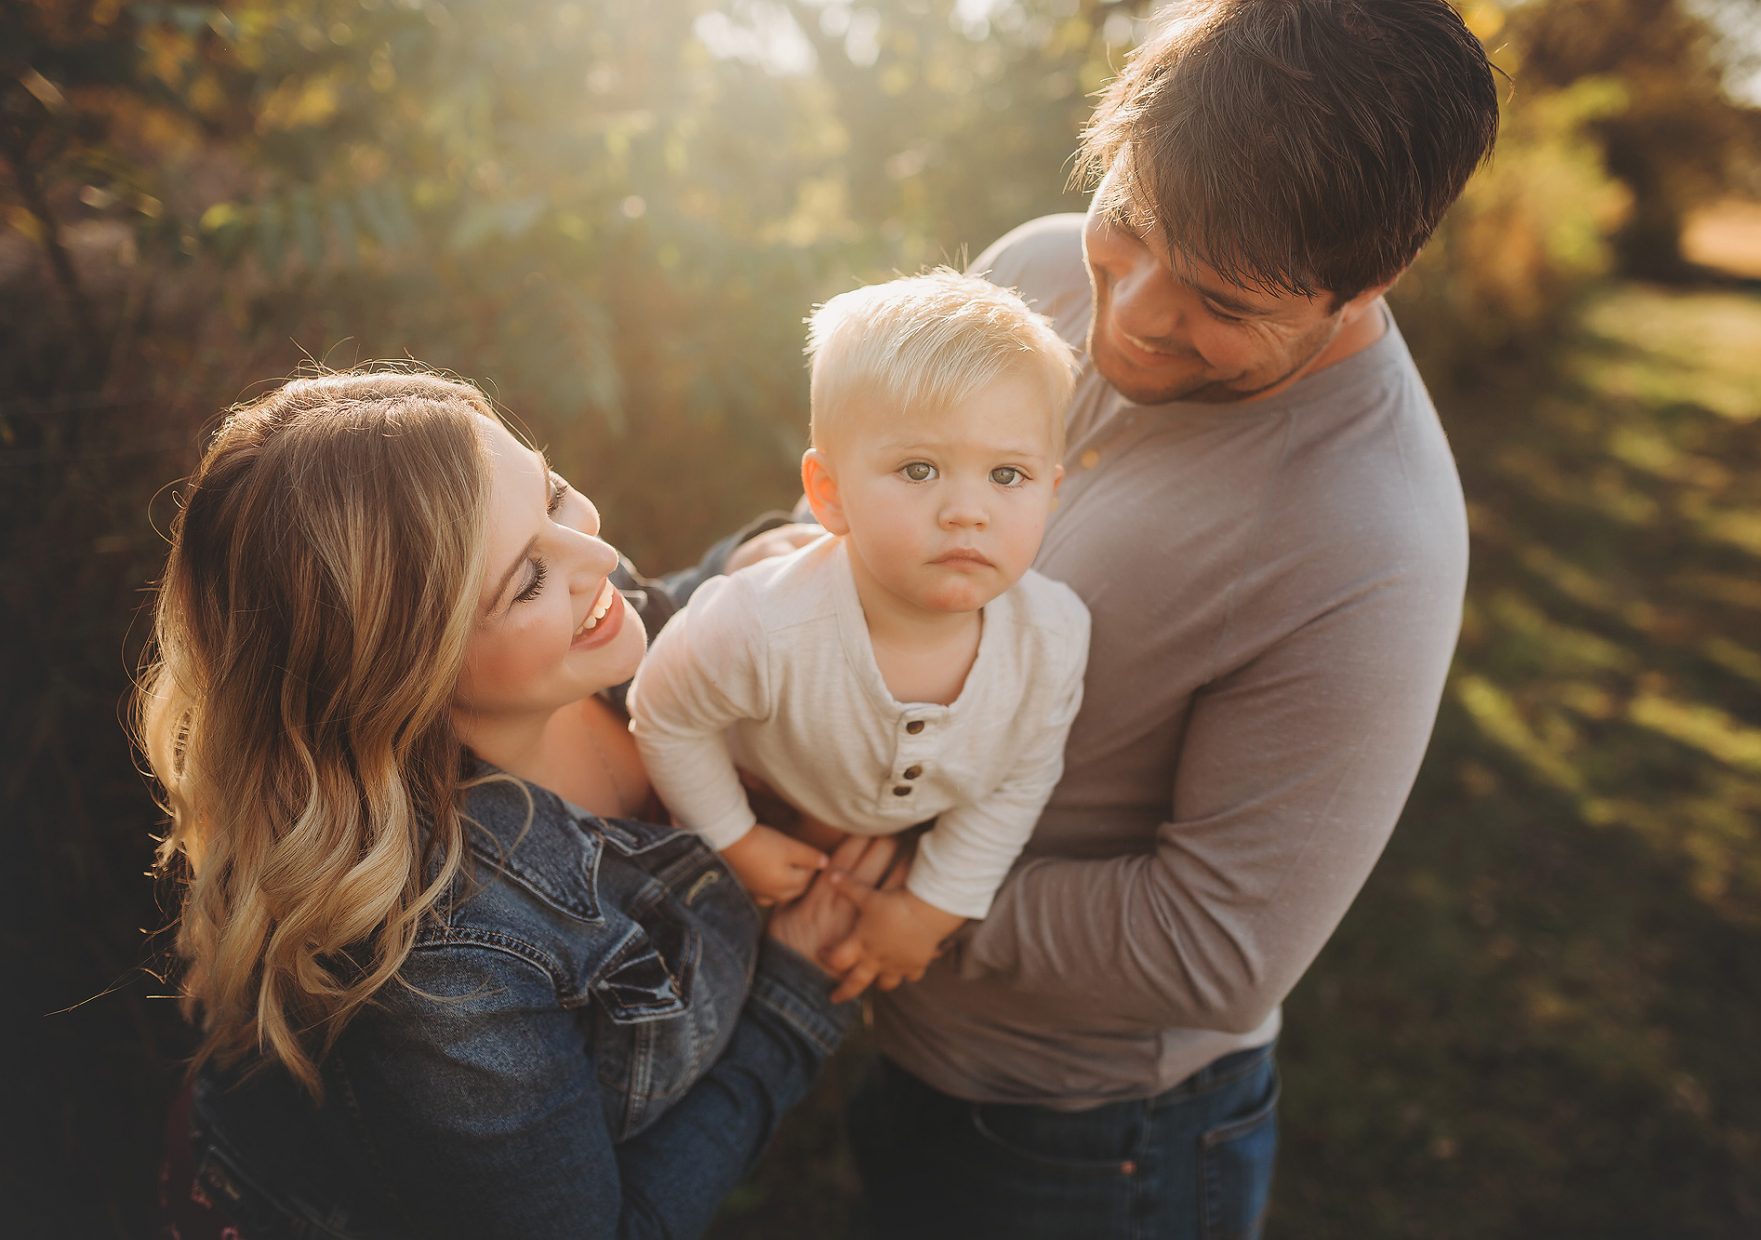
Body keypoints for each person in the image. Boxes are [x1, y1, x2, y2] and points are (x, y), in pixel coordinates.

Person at [711, 2, 1502, 1235]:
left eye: (1224, 302)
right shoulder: (1032, 271)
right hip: (897, 1052)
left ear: (1371, 279)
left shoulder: (1370, 535)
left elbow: (1216, 946)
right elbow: (867, 516)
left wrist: (898, 887)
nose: (1129, 312)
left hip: (1091, 1148)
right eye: (1126, 226)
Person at [137, 369, 898, 1239]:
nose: (599, 558)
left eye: (557, 495)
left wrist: (763, 563)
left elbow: (672, 604)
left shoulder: (575, 635)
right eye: (527, 581)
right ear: (406, 675)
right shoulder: (447, 968)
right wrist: (795, 995)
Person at [627, 270, 1090, 1001]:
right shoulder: (761, 620)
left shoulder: (1054, 636)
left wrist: (929, 910)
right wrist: (733, 836)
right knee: (693, 981)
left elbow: (1017, 781)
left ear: (1052, 491)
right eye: (919, 468)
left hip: (891, 851)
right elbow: (664, 713)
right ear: (829, 494)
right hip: (766, 800)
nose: (967, 510)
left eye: (1007, 474)